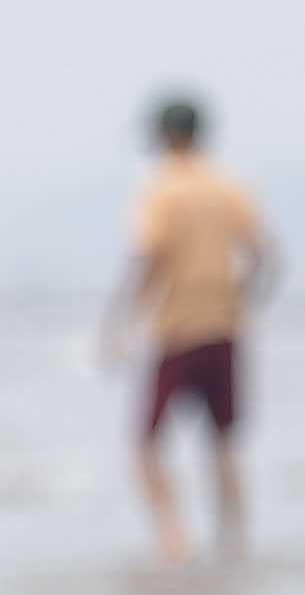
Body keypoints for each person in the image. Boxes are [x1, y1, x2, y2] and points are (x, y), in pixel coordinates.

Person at [100, 98, 274, 558]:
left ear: (166, 136)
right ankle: (234, 541)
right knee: (223, 443)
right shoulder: (228, 186)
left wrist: (118, 323)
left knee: (147, 444)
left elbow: (147, 258)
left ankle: (173, 537)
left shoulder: (162, 190)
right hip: (225, 329)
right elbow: (264, 257)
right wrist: (239, 300)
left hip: (177, 330)